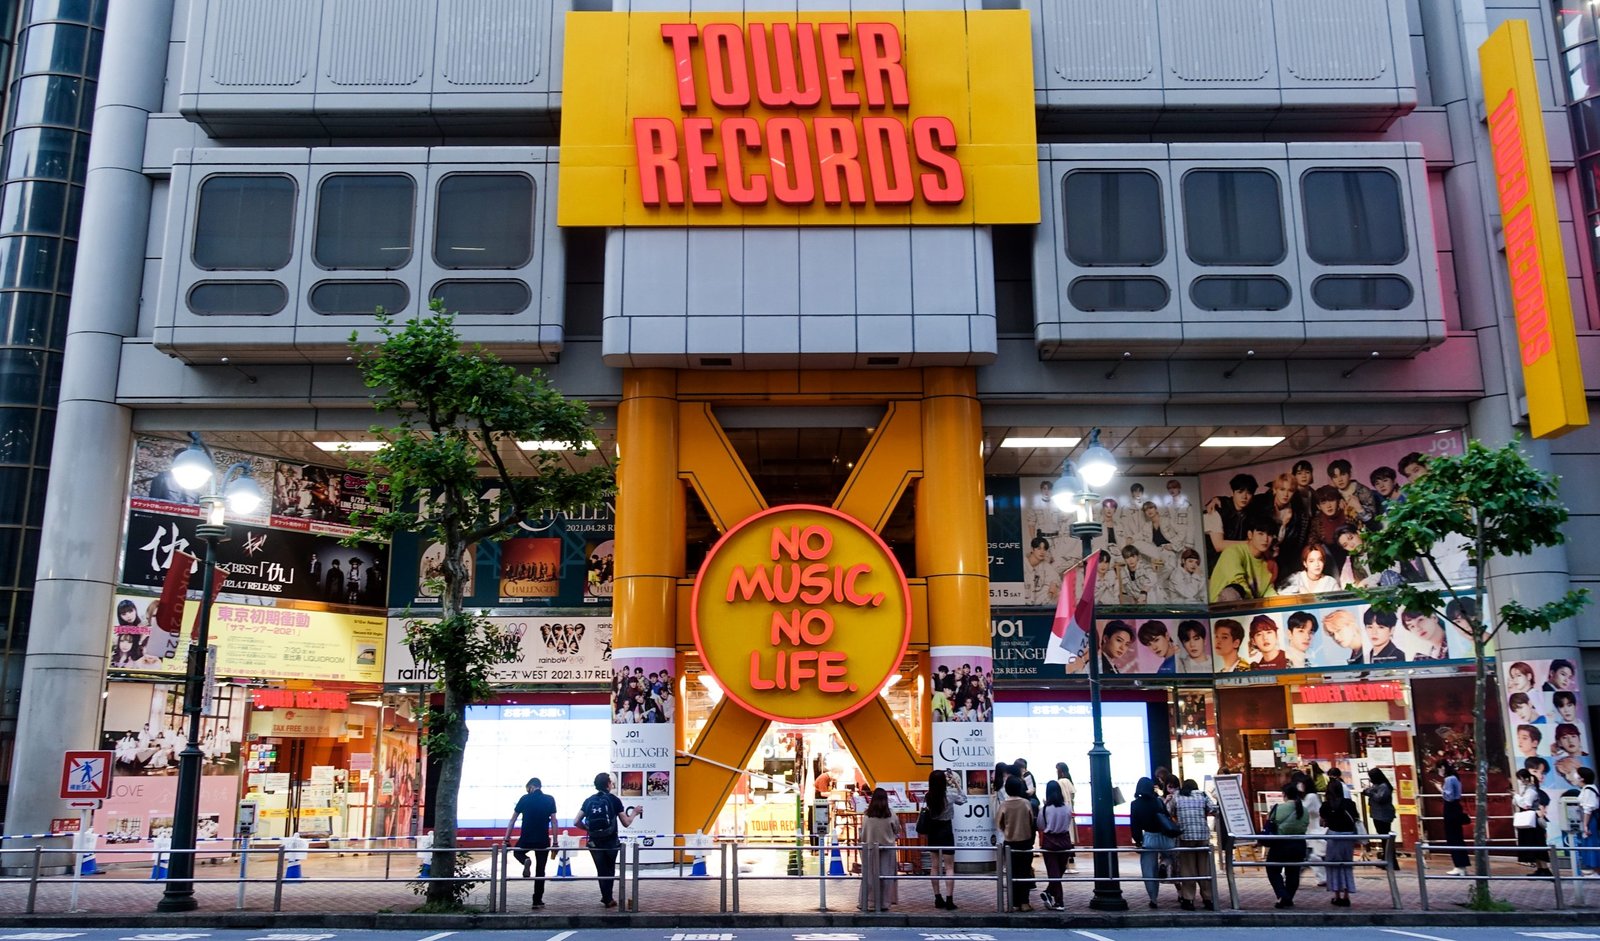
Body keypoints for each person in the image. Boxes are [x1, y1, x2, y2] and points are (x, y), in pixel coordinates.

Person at [576, 771, 638, 908]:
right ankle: (608, 899)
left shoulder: (588, 801)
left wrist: (588, 829)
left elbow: (576, 821)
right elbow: (626, 822)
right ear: (608, 784)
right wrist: (634, 813)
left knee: (601, 870)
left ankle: (606, 897)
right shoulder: (614, 800)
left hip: (594, 842)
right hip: (610, 841)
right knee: (610, 870)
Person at [503, 777, 558, 907]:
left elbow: (512, 820)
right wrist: (555, 842)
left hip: (526, 838)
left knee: (517, 853)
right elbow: (554, 822)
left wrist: (506, 839)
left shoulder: (524, 799)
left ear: (531, 787)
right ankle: (537, 900)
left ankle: (525, 860)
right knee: (541, 871)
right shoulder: (549, 799)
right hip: (543, 840)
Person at [1128, 776, 1177, 909]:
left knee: (1148, 870)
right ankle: (1164, 864)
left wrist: (1138, 841)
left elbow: (1135, 825)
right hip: (1164, 837)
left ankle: (1153, 899)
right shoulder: (1158, 801)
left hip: (1149, 838)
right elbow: (1167, 817)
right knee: (1170, 856)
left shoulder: (1135, 804)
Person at [922, 769, 965, 909]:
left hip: (933, 831)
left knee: (934, 866)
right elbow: (964, 799)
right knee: (949, 867)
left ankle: (937, 897)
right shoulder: (950, 794)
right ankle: (949, 899)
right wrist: (956, 784)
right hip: (946, 830)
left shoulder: (928, 796)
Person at [1171, 779, 1216, 910]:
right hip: (1202, 835)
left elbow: (1169, 811)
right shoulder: (1202, 795)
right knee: (1204, 868)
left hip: (1185, 836)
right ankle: (1208, 898)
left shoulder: (1177, 796)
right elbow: (1213, 809)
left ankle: (1189, 899)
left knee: (1188, 868)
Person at [996, 776, 1037, 911]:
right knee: (1025, 872)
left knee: (1012, 874)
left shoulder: (1004, 805)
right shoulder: (1026, 803)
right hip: (1025, 842)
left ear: (1007, 789)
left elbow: (999, 824)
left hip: (1010, 843)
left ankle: (1013, 902)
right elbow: (1031, 820)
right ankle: (1024, 902)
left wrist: (1008, 829)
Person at [1266, 782, 1310, 908]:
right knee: (1293, 872)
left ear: (1284, 795)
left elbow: (1270, 822)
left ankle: (1282, 895)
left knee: (1272, 869)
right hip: (1299, 844)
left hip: (1280, 844)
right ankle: (1288, 897)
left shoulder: (1278, 808)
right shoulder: (1304, 810)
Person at [858, 787, 901, 911]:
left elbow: (863, 834)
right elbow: (897, 830)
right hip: (887, 849)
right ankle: (884, 903)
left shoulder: (867, 815)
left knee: (869, 876)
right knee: (885, 876)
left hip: (870, 848)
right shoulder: (891, 814)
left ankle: (867, 902)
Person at [1036, 779, 1074, 910]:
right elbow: (1069, 822)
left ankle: (1059, 901)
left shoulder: (1045, 809)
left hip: (1050, 842)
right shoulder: (1068, 808)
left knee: (1053, 872)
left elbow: (1040, 825)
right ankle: (1048, 893)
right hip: (1064, 841)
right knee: (1060, 870)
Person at [1320, 780, 1358, 906]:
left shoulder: (1326, 805)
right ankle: (1346, 895)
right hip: (1348, 837)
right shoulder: (1349, 804)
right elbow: (1356, 818)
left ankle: (1336, 894)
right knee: (1347, 864)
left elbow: (1322, 822)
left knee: (1333, 865)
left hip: (1334, 836)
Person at [1513, 769, 1553, 876]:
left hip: (1532, 821)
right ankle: (1540, 868)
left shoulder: (1531, 790)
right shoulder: (1528, 789)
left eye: (1519, 778)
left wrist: (1516, 796)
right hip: (1530, 821)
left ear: (1522, 778)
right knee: (1534, 844)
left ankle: (1544, 869)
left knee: (1537, 843)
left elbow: (1526, 805)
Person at [1362, 769, 1397, 868]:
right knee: (1384, 838)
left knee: (1386, 838)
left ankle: (1391, 862)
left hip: (1383, 815)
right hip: (1378, 814)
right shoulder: (1378, 786)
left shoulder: (1384, 786)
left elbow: (1380, 798)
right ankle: (1387, 860)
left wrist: (1371, 793)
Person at [1439, 762, 1469, 875]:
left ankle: (1459, 866)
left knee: (1452, 838)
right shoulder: (1456, 778)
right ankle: (1462, 866)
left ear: (1442, 767)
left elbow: (1449, 796)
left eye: (1439, 769)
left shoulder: (1448, 779)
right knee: (1458, 837)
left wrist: (1440, 789)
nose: (1439, 772)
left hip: (1450, 809)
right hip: (1457, 808)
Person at [1054, 762, 1078, 874]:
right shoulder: (1069, 781)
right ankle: (1070, 861)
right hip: (1070, 810)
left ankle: (1067, 864)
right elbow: (1073, 794)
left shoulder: (1060, 782)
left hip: (1063, 811)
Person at [1577, 767, 1600, 875]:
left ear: (1582, 778)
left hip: (1590, 820)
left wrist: (1585, 825)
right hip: (1589, 819)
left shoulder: (1588, 790)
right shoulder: (1588, 788)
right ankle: (1593, 870)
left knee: (1591, 843)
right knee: (1589, 843)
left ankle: (1596, 870)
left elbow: (1588, 809)